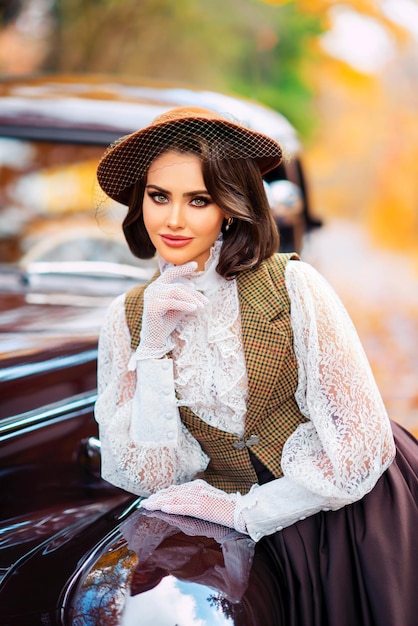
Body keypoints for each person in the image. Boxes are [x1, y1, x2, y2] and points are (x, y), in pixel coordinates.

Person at [95, 106, 418, 626]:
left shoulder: (293, 286)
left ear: (228, 206)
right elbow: (154, 476)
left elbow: (362, 446)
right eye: (159, 197)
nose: (173, 220)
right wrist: (152, 346)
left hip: (345, 516)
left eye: (198, 200)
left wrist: (249, 512)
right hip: (225, 539)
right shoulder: (128, 318)